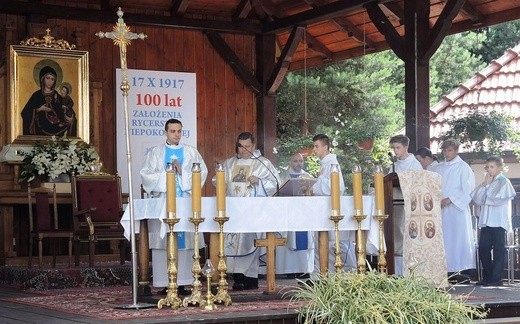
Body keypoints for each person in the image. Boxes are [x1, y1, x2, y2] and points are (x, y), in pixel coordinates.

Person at [140, 118, 208, 295]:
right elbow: (146, 175)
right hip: (164, 203)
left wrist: (181, 172)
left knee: (185, 244)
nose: (176, 134)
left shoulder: (191, 152)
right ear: (166, 132)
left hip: (185, 204)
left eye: (179, 131)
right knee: (163, 243)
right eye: (173, 131)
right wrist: (167, 173)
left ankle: (184, 282)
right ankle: (165, 282)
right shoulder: (156, 152)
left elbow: (201, 173)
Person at [221, 132, 280, 290]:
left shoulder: (262, 163)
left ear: (253, 146)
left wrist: (259, 182)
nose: (243, 150)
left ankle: (251, 278)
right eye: (241, 146)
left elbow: (275, 183)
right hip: (233, 211)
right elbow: (217, 180)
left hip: (253, 211)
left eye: (247, 146)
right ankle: (238, 277)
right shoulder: (229, 164)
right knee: (234, 243)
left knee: (250, 241)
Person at [471, 155, 516, 286]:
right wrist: (485, 185)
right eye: (488, 167)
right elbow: (478, 199)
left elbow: (497, 200)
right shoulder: (487, 182)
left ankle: (496, 279)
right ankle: (488, 277)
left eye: (492, 167)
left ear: (499, 168)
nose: (489, 170)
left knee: (498, 251)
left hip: (498, 221)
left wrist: (488, 187)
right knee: (483, 249)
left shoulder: (504, 182)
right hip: (486, 221)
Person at [435, 139, 476, 283]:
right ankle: (446, 270)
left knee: (458, 239)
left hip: (457, 210)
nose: (447, 153)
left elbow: (469, 189)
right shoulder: (439, 168)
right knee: (444, 240)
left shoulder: (463, 167)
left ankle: (462, 271)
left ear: (456, 150)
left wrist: (450, 199)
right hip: (440, 209)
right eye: (445, 151)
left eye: (450, 150)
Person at [311, 134, 352, 272]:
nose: (314, 149)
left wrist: (314, 185)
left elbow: (337, 187)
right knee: (320, 241)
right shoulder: (325, 163)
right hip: (322, 207)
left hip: (330, 208)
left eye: (317, 146)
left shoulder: (332, 164)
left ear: (325, 147)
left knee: (330, 242)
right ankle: (319, 273)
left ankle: (332, 273)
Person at [275, 152, 315, 278]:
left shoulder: (308, 177)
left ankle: (303, 269)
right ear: (290, 162)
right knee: (288, 239)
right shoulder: (282, 177)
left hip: (304, 215)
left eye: (300, 161)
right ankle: (289, 270)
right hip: (287, 213)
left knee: (304, 241)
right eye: (295, 161)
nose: (298, 163)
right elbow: (276, 193)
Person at [388, 135, 422, 275]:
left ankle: (406, 272)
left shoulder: (415, 165)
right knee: (394, 236)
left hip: (407, 205)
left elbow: (418, 185)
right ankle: (395, 272)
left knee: (404, 235)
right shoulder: (394, 165)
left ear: (406, 147)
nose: (395, 151)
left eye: (398, 148)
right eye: (393, 148)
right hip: (393, 204)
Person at [21, 65, 75, 136]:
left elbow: (62, 109)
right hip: (41, 124)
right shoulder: (37, 95)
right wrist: (39, 109)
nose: (50, 81)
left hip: (56, 123)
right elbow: (25, 112)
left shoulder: (56, 95)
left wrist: (69, 117)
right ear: (42, 79)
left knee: (74, 121)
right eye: (48, 78)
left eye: (52, 79)